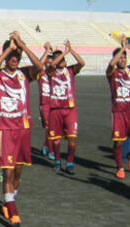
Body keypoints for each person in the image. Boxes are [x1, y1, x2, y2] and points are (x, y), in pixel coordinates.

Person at [0, 31, 43, 227]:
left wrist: (22, 46)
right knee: (8, 171)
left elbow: (40, 67)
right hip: (4, 128)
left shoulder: (25, 74)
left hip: (23, 128)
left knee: (18, 172)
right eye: (11, 56)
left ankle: (8, 200)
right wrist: (9, 48)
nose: (14, 59)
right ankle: (12, 210)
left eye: (16, 56)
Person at [106, 34, 130, 179]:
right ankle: (120, 168)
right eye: (120, 57)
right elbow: (111, 64)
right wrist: (121, 49)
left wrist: (127, 46)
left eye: (124, 57)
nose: (122, 60)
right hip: (118, 112)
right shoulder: (112, 73)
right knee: (118, 142)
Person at [47, 40, 85, 174]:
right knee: (56, 140)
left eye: (63, 58)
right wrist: (63, 52)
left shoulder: (70, 71)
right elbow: (52, 64)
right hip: (55, 110)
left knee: (72, 137)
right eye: (59, 58)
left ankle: (70, 162)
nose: (61, 60)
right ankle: (57, 161)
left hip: (70, 110)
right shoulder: (51, 72)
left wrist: (71, 50)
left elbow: (82, 63)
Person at [37, 43, 53, 158]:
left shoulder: (55, 74)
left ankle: (46, 146)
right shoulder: (41, 73)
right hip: (45, 104)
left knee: (53, 128)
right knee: (48, 127)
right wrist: (47, 51)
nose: (49, 63)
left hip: (56, 103)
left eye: (51, 61)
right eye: (47, 61)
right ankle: (50, 149)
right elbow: (38, 65)